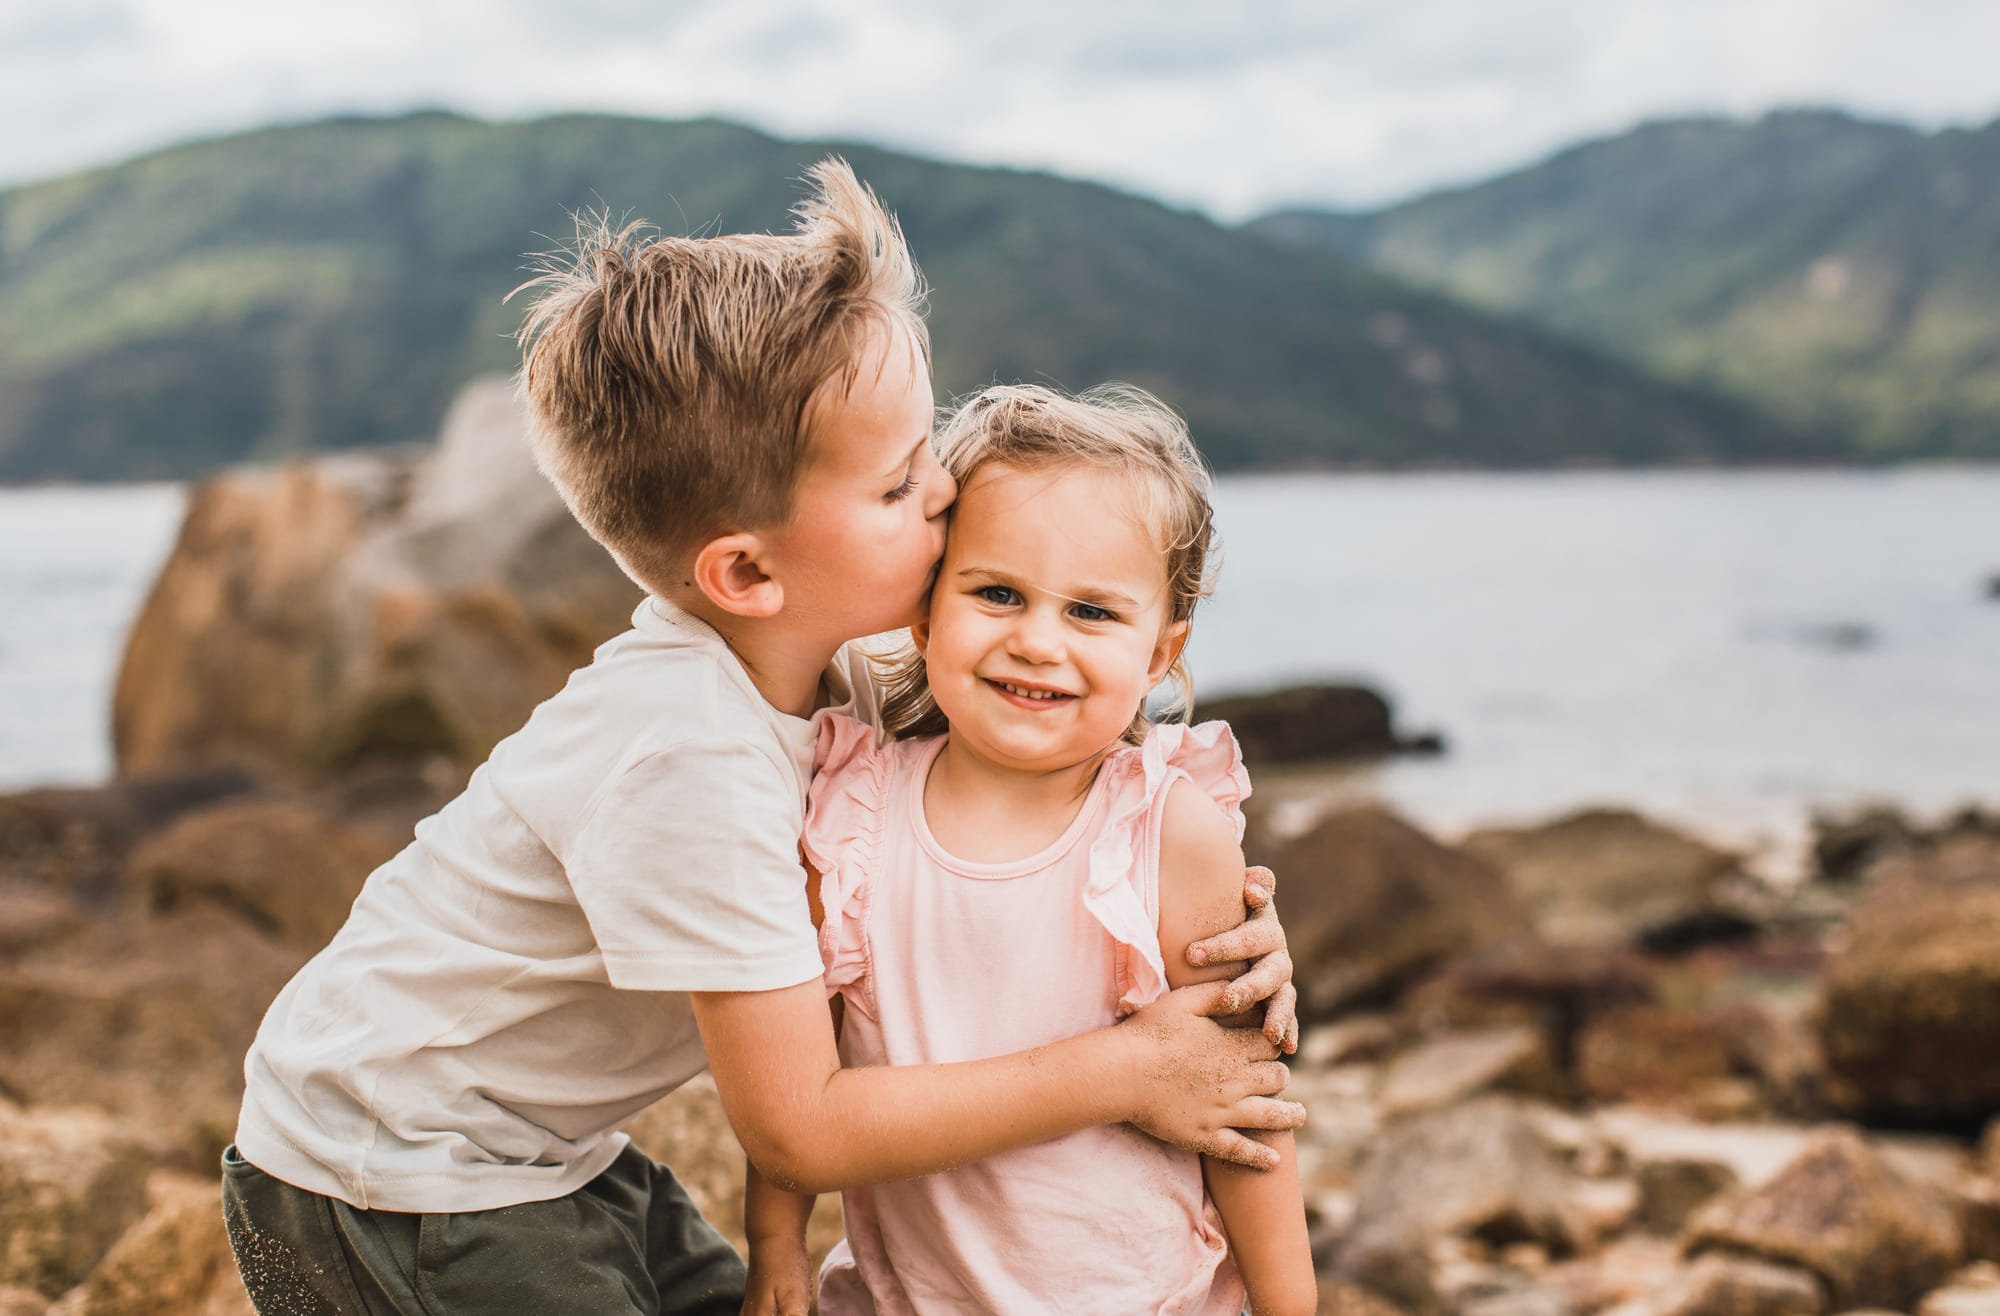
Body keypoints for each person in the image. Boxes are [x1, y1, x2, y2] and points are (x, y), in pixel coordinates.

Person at [219, 159, 1302, 1316]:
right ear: (745, 571)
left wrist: (1221, 920)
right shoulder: (693, 759)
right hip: (397, 1173)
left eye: (925, 458)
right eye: (897, 486)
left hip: (541, 1143)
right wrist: (1132, 1066)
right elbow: (806, 1123)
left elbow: (1053, 775)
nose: (943, 494)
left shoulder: (829, 682)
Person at [743, 383, 1316, 1316]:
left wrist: (1294, 1306)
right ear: (927, 616)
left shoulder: (1167, 830)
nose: (1037, 641)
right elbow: (806, 1069)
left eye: (1091, 612)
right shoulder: (854, 816)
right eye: (998, 593)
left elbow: (1241, 1101)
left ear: (1161, 651)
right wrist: (776, 1246)